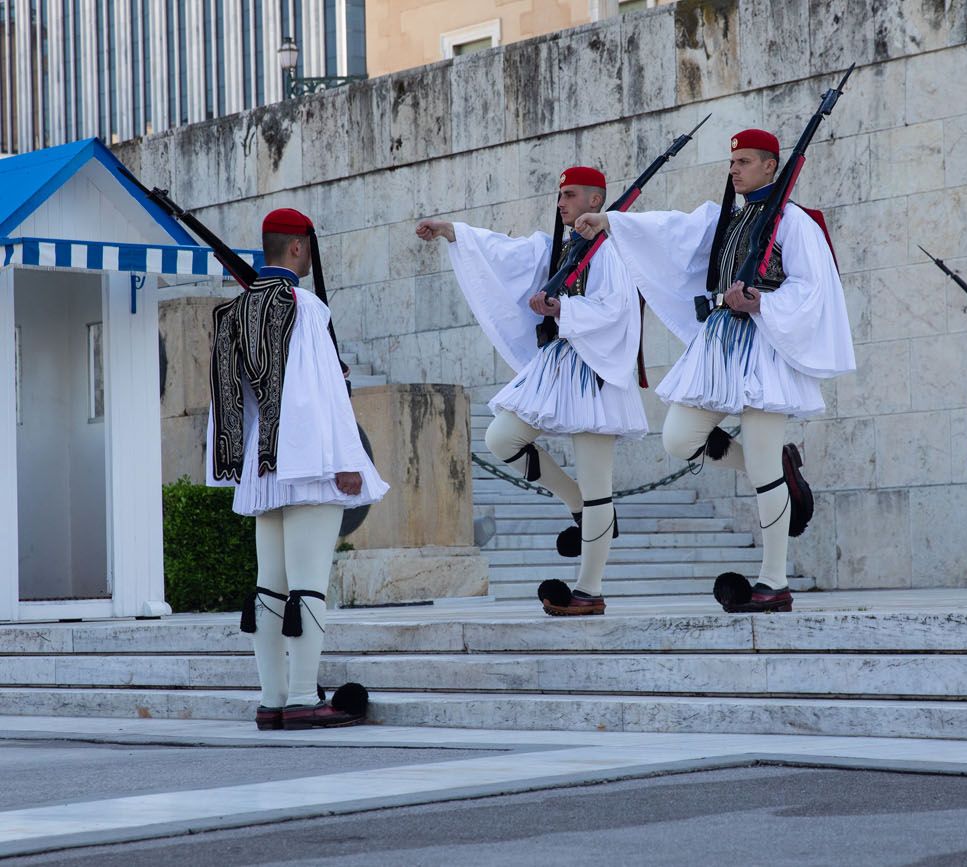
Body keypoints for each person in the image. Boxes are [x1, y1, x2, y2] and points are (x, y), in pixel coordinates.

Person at [575, 129, 855, 613]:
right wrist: (610, 222)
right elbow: (670, 230)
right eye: (733, 162)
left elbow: (812, 289)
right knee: (679, 438)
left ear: (771, 166)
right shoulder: (726, 217)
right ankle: (780, 471)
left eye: (745, 162)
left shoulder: (793, 222)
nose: (735, 169)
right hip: (719, 346)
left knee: (765, 471)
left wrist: (761, 301)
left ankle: (773, 581)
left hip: (764, 346)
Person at [416, 167, 647, 616]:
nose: (562, 202)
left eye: (571, 195)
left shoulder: (611, 248)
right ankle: (572, 499)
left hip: (596, 371)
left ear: (596, 201)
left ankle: (588, 590)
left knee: (600, 485)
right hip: (558, 366)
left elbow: (616, 307)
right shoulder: (556, 247)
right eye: (560, 195)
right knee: (501, 438)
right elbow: (503, 253)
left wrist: (564, 307)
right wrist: (452, 231)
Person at [208, 207, 387, 729]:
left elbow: (229, 401)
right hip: (308, 461)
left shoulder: (235, 310)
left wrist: (238, 463)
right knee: (308, 585)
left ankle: (271, 701)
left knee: (269, 587)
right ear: (297, 249)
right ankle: (305, 697)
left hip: (261, 465)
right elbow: (317, 390)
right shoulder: (301, 305)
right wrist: (348, 459)